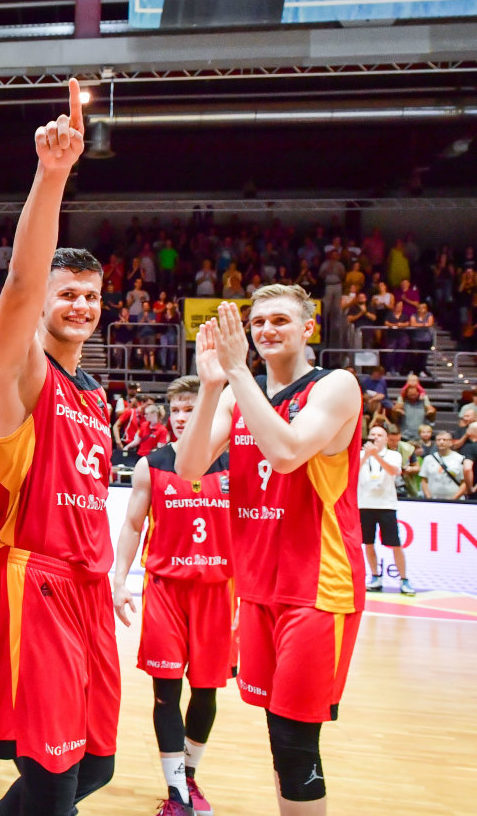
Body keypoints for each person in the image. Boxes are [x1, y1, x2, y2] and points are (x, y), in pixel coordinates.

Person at [0, 83, 118, 816]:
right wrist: (52, 174)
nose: (81, 306)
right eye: (69, 294)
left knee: (97, 765)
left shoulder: (97, 394)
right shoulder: (25, 375)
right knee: (55, 779)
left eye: (91, 295)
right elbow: (21, 289)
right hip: (37, 585)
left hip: (92, 588)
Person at [175, 285, 364, 815]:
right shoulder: (239, 393)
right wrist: (213, 386)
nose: (266, 331)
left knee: (296, 740)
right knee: (278, 736)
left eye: (280, 320)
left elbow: (285, 453)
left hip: (317, 589)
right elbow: (188, 469)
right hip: (258, 589)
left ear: (309, 329)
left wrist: (236, 374)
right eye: (258, 323)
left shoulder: (336, 386)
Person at [112, 375, 234, 816]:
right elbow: (132, 524)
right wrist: (119, 578)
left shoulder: (233, 465)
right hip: (166, 590)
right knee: (166, 693)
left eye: (193, 408)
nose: (185, 418)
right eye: (178, 410)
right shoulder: (152, 464)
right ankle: (177, 793)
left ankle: (191, 774)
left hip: (219, 593)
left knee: (206, 693)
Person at [358, 425, 413, 596]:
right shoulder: (360, 454)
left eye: (379, 435)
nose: (375, 437)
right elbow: (350, 472)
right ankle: (375, 577)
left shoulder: (393, 455)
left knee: (395, 544)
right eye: (372, 434)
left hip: (386, 505)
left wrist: (376, 456)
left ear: (386, 438)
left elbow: (393, 471)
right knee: (368, 543)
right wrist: (367, 455)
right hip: (364, 504)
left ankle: (404, 580)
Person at [420, 431, 471, 500]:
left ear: (451, 442)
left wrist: (454, 499)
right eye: (438, 440)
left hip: (455, 501)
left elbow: (464, 482)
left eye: (444, 440)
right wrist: (429, 498)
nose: (441, 442)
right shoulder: (428, 459)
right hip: (433, 499)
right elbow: (424, 480)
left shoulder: (460, 459)